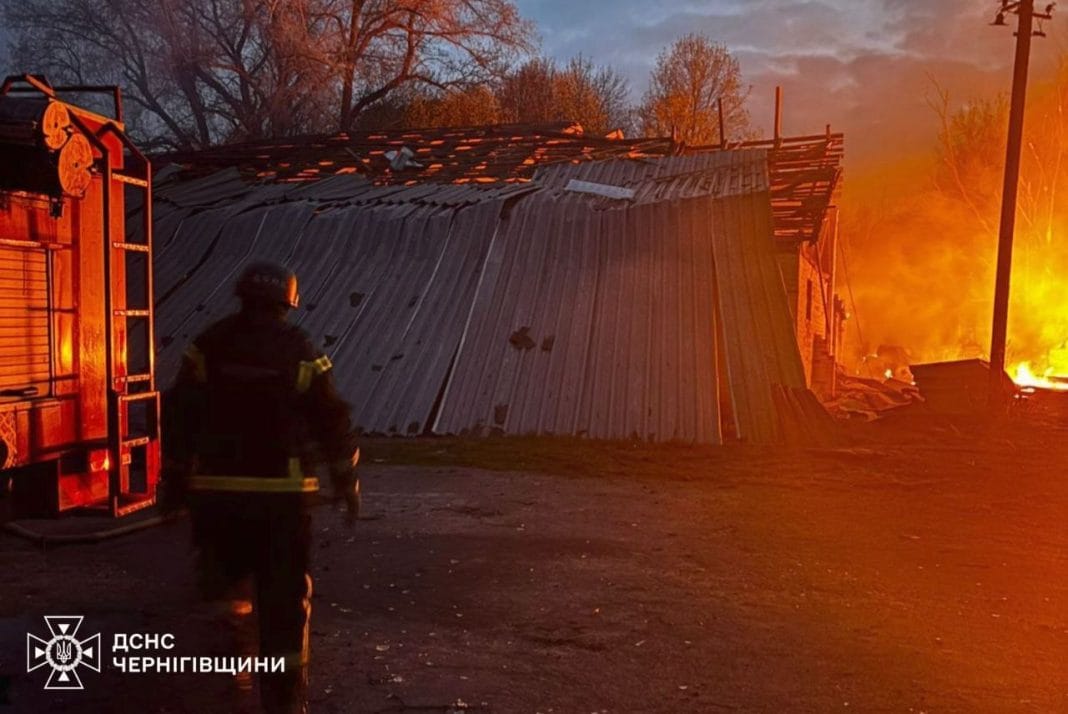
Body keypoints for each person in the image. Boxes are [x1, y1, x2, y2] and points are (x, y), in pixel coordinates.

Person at [161, 261, 358, 714]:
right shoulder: (301, 350)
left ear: (243, 296)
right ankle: (284, 701)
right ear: (289, 301)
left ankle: (225, 686)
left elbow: (178, 416)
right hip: (282, 503)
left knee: (223, 591)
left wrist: (174, 481)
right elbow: (333, 419)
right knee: (284, 603)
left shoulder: (208, 344)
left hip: (216, 498)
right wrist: (346, 480)